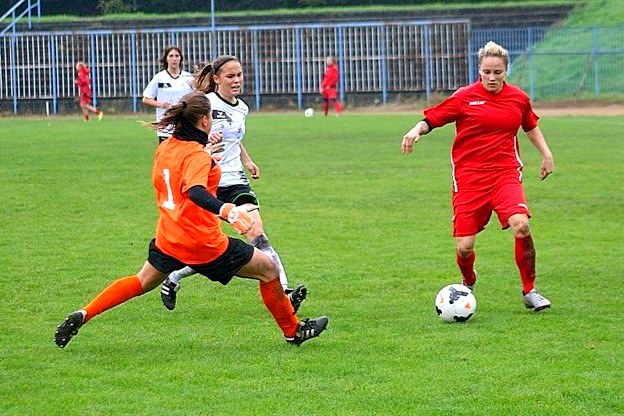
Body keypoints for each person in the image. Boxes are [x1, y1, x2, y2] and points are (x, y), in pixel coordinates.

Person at [54, 91, 329, 349]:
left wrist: (205, 155)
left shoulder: (167, 147)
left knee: (141, 281)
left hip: (169, 236)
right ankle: (293, 331)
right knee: (268, 269)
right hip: (202, 241)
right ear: (205, 120)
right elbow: (194, 191)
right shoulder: (196, 155)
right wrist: (228, 210)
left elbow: (179, 177)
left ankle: (84, 313)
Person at [401, 41, 554, 311]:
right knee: (465, 247)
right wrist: (415, 130)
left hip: (505, 174)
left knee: (521, 225)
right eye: (487, 72)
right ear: (479, 70)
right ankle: (468, 279)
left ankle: (530, 291)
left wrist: (547, 154)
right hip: (469, 179)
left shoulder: (518, 98)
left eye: (498, 72)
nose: (492, 77)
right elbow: (434, 118)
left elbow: (530, 126)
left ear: (506, 71)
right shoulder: (465, 97)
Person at [160, 55, 308, 313]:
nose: (237, 80)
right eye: (230, 76)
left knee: (257, 234)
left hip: (236, 180)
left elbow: (235, 139)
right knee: (211, 250)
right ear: (216, 79)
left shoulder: (242, 108)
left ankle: (284, 292)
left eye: (239, 75)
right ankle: (174, 277)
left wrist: (248, 161)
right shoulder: (204, 103)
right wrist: (206, 139)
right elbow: (182, 137)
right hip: (208, 181)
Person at [142, 45, 194, 143]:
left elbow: (196, 98)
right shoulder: (159, 77)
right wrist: (161, 105)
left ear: (180, 58)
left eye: (177, 56)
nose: (174, 59)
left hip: (184, 126)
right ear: (166, 59)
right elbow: (146, 98)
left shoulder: (189, 78)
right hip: (165, 128)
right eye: (171, 56)